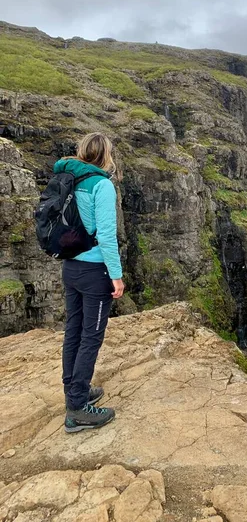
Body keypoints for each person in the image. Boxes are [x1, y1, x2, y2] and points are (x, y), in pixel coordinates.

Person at [53, 132, 124, 433]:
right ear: (105, 155)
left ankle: (74, 389)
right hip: (95, 272)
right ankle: (78, 409)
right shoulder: (102, 184)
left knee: (73, 330)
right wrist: (117, 276)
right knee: (91, 336)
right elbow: (106, 235)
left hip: (70, 267)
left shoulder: (69, 179)